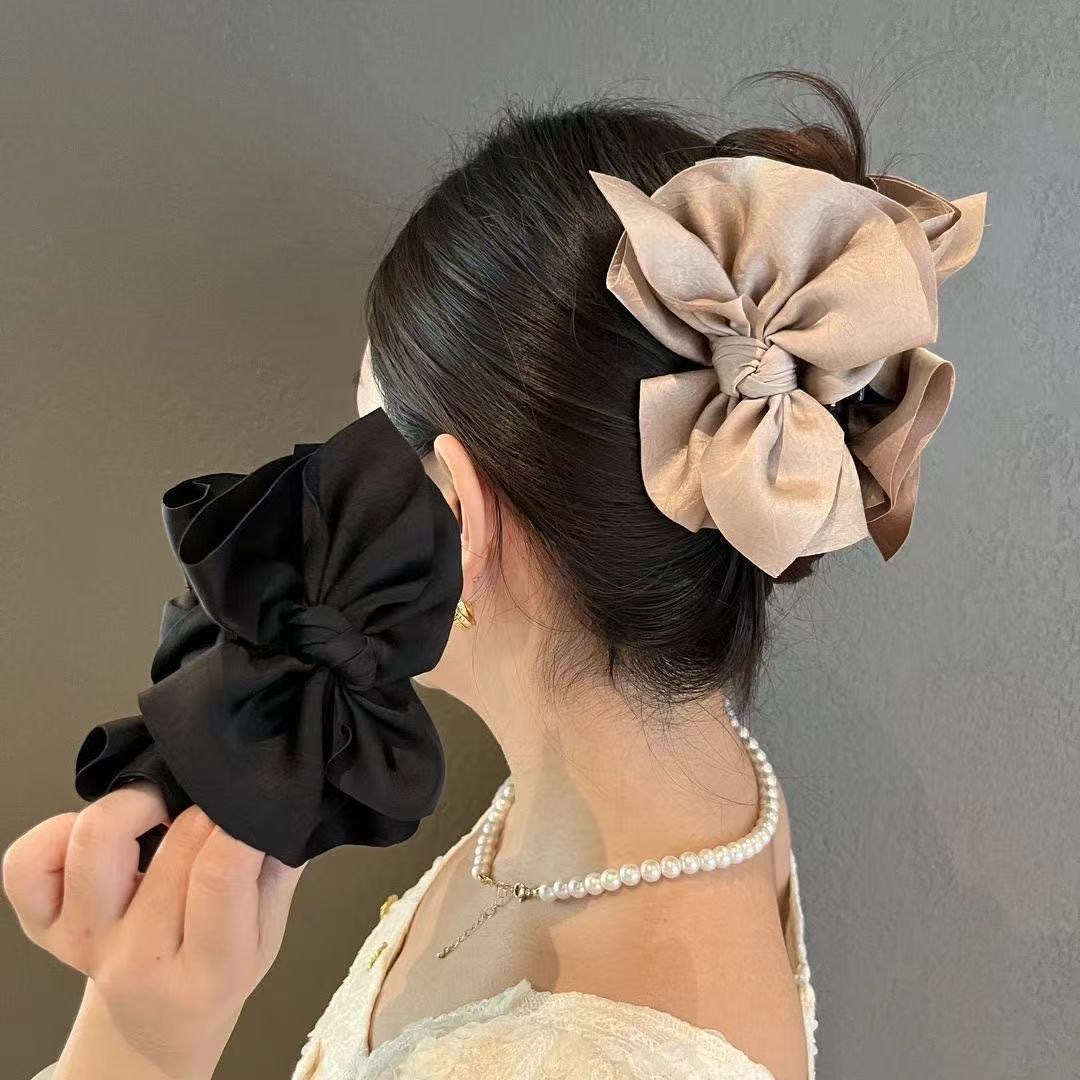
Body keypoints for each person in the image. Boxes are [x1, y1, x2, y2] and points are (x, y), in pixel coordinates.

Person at [3, 67, 988, 1080]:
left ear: (456, 519)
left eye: (364, 445)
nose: (325, 491)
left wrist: (138, 1043)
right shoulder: (689, 794)